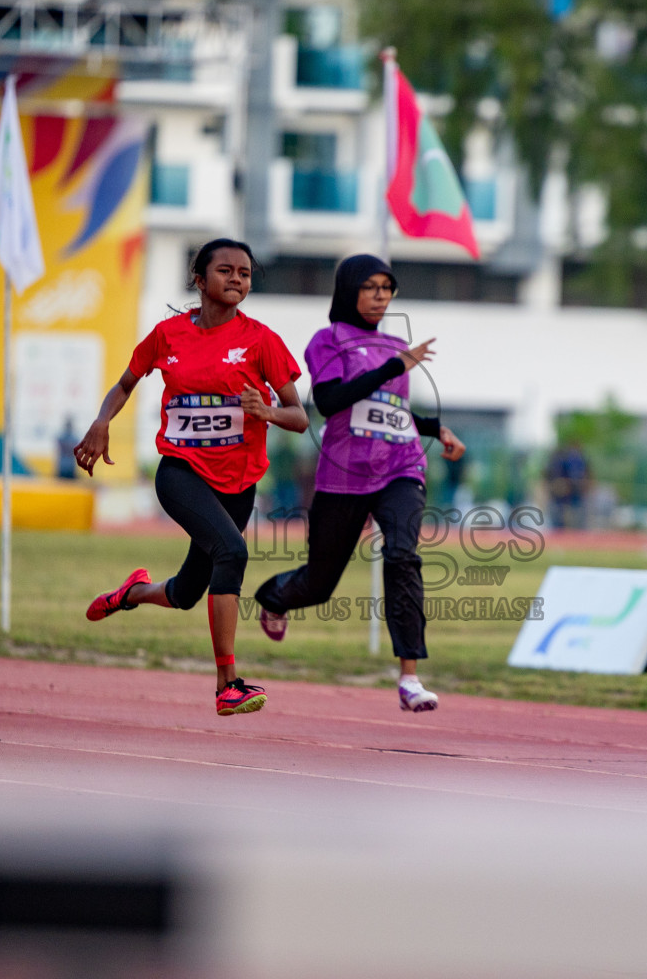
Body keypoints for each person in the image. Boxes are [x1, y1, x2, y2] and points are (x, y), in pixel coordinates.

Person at [75, 238, 308, 717]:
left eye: (245, 272)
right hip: (180, 472)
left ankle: (132, 592)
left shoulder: (262, 341)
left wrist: (263, 409)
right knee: (233, 551)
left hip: (238, 482)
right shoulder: (168, 335)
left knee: (186, 592)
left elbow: (299, 417)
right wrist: (102, 423)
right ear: (199, 280)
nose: (237, 279)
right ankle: (228, 683)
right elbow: (125, 384)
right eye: (226, 270)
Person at [251, 254, 465, 712]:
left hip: (401, 467)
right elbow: (330, 402)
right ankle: (273, 598)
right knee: (318, 584)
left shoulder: (393, 344)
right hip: (344, 477)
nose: (380, 296)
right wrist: (396, 367)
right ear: (348, 290)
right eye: (370, 286)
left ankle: (409, 677)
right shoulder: (328, 340)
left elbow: (391, 409)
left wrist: (436, 428)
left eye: (387, 287)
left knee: (403, 556)